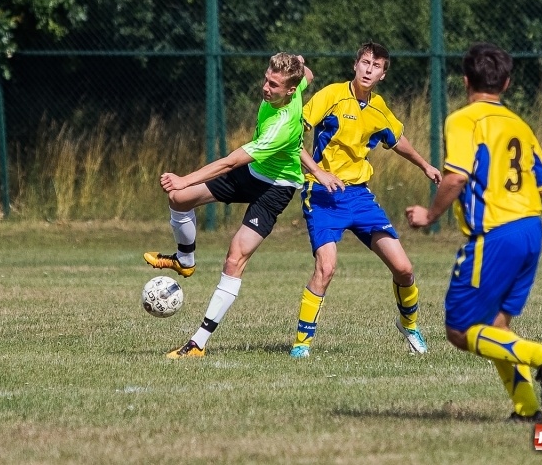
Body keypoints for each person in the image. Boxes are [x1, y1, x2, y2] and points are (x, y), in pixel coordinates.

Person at [405, 42, 542, 422]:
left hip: (498, 235)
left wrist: (430, 215)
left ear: (465, 80)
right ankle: (527, 409)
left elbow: (457, 176)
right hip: (532, 228)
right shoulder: (518, 124)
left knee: (460, 330)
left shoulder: (464, 120)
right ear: (507, 83)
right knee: (497, 327)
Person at [144, 52, 325, 358]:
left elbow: (229, 163)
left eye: (275, 85)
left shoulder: (281, 125)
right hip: (253, 175)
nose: (266, 88)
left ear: (289, 92)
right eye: (267, 80)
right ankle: (185, 260)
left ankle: (197, 343)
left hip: (276, 189)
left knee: (234, 258)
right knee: (178, 199)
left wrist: (185, 178)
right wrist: (298, 61)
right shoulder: (294, 89)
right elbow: (307, 75)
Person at [289, 41, 442, 359]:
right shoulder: (331, 95)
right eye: (365, 63)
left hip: (359, 197)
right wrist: (318, 173)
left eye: (377, 66)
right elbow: (291, 134)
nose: (369, 70)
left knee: (404, 269)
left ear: (383, 74)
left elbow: (397, 139)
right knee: (326, 268)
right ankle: (301, 346)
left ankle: (409, 326)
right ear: (355, 65)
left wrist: (425, 165)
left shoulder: (378, 107)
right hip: (322, 196)